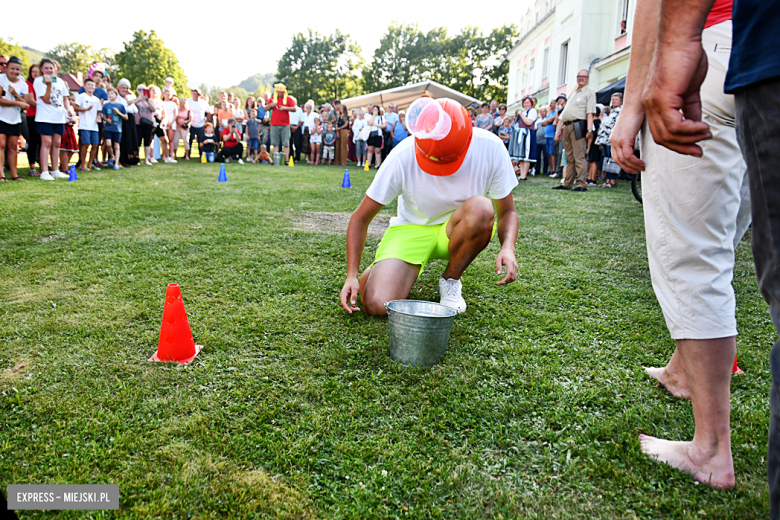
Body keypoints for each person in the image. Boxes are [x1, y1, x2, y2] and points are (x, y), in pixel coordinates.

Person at [610, 0, 753, 492]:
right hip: (766, 59)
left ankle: (709, 450)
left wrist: (631, 106)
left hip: (712, 51)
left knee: (695, 257)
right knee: (724, 237)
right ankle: (680, 371)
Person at [339, 97, 519, 316]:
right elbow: (360, 218)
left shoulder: (491, 147)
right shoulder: (403, 154)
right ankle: (380, 270)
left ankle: (451, 280)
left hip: (457, 227)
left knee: (482, 208)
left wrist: (508, 246)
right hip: (411, 228)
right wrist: (351, 275)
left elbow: (507, 210)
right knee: (377, 305)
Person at [553, 71, 595, 191]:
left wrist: (589, 129)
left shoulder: (589, 92)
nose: (581, 78)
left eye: (584, 76)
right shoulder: (574, 92)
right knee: (569, 157)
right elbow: (565, 112)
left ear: (587, 78)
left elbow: (590, 112)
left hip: (578, 125)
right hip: (567, 125)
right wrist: (559, 130)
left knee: (579, 156)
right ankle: (567, 183)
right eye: (579, 76)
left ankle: (582, 184)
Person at [34, 58, 71, 180]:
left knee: (56, 143)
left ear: (55, 69)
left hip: (59, 117)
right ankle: (45, 171)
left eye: (51, 68)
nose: (49, 70)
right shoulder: (39, 81)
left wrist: (69, 109)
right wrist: (49, 85)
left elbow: (65, 99)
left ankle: (55, 170)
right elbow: (45, 99)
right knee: (46, 143)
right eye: (46, 68)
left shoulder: (60, 81)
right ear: (41, 69)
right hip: (44, 117)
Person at [0, 56, 30, 181]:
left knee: (13, 147)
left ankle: (14, 174)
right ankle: (1, 175)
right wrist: (18, 103)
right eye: (12, 68)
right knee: (1, 145)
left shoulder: (23, 85)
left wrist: (15, 95)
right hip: (1, 117)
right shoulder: (1, 79)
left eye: (18, 69)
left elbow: (26, 104)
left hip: (15, 118)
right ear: (6, 68)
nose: (15, 72)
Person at [74, 77, 101, 171]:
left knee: (95, 145)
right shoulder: (81, 96)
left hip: (94, 126)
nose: (90, 87)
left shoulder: (96, 99)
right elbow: (75, 108)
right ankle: (83, 164)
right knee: (85, 144)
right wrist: (86, 109)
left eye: (92, 85)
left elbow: (99, 111)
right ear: (84, 86)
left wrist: (98, 117)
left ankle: (90, 164)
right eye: (88, 85)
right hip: (84, 124)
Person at [596, 93, 623, 188]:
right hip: (606, 139)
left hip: (614, 139)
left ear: (621, 101)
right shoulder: (612, 111)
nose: (614, 101)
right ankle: (608, 180)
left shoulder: (621, 111)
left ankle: (613, 181)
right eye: (613, 99)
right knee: (607, 159)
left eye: (616, 99)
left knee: (613, 159)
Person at [266, 83, 296, 164]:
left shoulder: (289, 99)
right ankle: (276, 161)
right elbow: (266, 108)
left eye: (282, 92)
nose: (280, 93)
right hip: (274, 124)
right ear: (276, 91)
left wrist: (285, 108)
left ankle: (286, 160)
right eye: (278, 91)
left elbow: (294, 108)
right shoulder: (272, 99)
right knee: (275, 143)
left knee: (286, 143)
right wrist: (271, 105)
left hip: (285, 124)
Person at [510, 97, 537, 180]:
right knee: (521, 156)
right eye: (525, 103)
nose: (526, 104)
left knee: (526, 155)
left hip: (528, 134)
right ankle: (522, 174)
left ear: (532, 104)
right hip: (521, 135)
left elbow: (528, 122)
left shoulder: (532, 111)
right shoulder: (524, 112)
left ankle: (524, 174)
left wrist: (521, 114)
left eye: (528, 102)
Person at [101, 87, 128, 171]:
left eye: (112, 93)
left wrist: (118, 112)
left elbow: (126, 117)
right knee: (108, 144)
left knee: (116, 146)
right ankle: (112, 157)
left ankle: (116, 163)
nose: (110, 95)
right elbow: (103, 116)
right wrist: (106, 120)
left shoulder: (120, 106)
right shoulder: (106, 105)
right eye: (108, 94)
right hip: (108, 128)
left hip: (117, 129)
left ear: (116, 95)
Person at [116, 79, 140, 167]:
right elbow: (122, 108)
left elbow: (135, 110)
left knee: (132, 138)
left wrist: (129, 104)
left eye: (127, 88)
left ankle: (132, 159)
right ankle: (123, 160)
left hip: (130, 119)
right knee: (124, 139)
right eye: (123, 88)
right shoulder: (117, 98)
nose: (125, 90)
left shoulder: (129, 97)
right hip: (122, 119)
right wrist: (128, 105)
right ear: (119, 88)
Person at [24, 64, 41, 176]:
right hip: (32, 115)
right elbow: (30, 100)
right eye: (33, 71)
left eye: (37, 71)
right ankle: (32, 167)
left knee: (42, 142)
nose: (35, 73)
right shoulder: (28, 84)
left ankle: (43, 165)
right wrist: (45, 108)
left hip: (43, 117)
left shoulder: (42, 84)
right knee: (33, 141)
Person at [134, 85, 156, 166]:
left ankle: (146, 159)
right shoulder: (136, 100)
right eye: (139, 89)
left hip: (148, 123)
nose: (141, 91)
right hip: (138, 123)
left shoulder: (151, 100)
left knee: (147, 142)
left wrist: (147, 101)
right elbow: (130, 105)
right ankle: (137, 159)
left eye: (143, 89)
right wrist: (139, 99)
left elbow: (153, 109)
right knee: (138, 141)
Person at [59, 95, 78, 170]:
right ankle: (64, 167)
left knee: (72, 149)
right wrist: (70, 121)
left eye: (73, 100)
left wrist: (73, 121)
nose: (71, 101)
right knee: (65, 149)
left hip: (70, 129)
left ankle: (64, 164)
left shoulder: (71, 109)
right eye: (69, 99)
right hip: (65, 128)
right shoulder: (62, 109)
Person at [187, 88, 208, 160]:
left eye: (197, 94)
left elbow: (209, 111)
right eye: (194, 93)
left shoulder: (203, 102)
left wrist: (206, 121)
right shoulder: (188, 101)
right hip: (191, 124)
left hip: (201, 125)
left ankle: (202, 155)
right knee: (189, 140)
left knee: (201, 141)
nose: (195, 95)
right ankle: (187, 154)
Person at [585, 106, 602, 186]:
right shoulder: (599, 122)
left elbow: (591, 136)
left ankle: (592, 179)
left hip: (593, 144)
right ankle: (590, 178)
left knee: (593, 161)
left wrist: (588, 147)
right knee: (592, 161)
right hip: (597, 144)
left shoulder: (593, 123)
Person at [172, 97, 191, 161]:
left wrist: (184, 122)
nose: (182, 104)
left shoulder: (188, 110)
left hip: (184, 128)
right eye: (181, 102)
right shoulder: (177, 109)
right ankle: (175, 155)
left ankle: (187, 155)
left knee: (186, 141)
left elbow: (190, 119)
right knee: (175, 141)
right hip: (177, 127)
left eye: (184, 102)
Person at [162, 88, 178, 161]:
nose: (168, 95)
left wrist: (171, 122)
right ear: (163, 94)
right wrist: (165, 121)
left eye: (169, 94)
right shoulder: (162, 103)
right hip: (164, 122)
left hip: (172, 123)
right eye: (166, 94)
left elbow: (175, 114)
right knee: (164, 140)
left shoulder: (173, 104)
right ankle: (164, 155)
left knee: (171, 139)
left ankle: (171, 155)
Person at [535, 107, 549, 176]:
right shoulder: (537, 121)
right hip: (538, 141)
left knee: (545, 156)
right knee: (537, 156)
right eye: (541, 111)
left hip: (545, 140)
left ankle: (545, 171)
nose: (542, 113)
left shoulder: (548, 119)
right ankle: (537, 170)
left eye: (544, 111)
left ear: (546, 112)